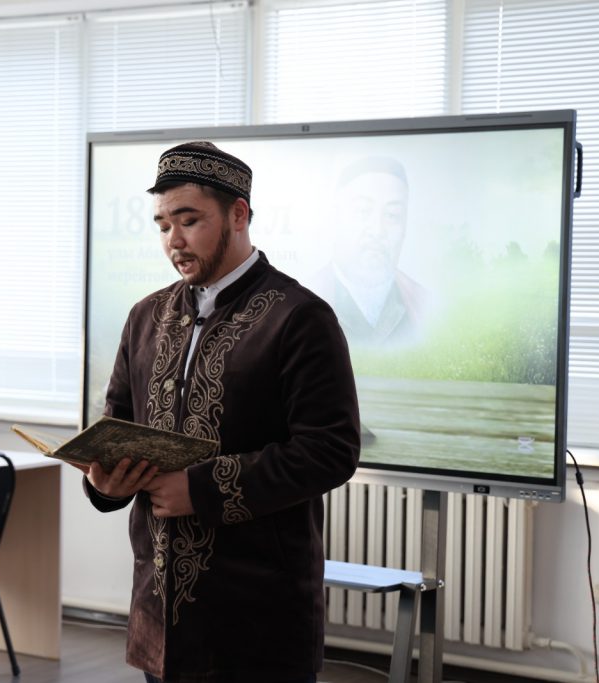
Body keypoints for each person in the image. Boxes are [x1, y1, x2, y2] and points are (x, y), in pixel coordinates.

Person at [79, 140, 361, 683]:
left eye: (190, 221)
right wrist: (105, 485)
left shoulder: (300, 317)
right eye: (164, 225)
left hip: (258, 620)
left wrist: (200, 489)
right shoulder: (145, 316)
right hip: (159, 614)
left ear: (238, 214)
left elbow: (330, 451)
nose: (174, 240)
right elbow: (117, 427)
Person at [311, 156, 428, 347]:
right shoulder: (303, 298)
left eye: (392, 215)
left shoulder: (423, 305)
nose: (377, 230)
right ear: (336, 218)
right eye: (362, 211)